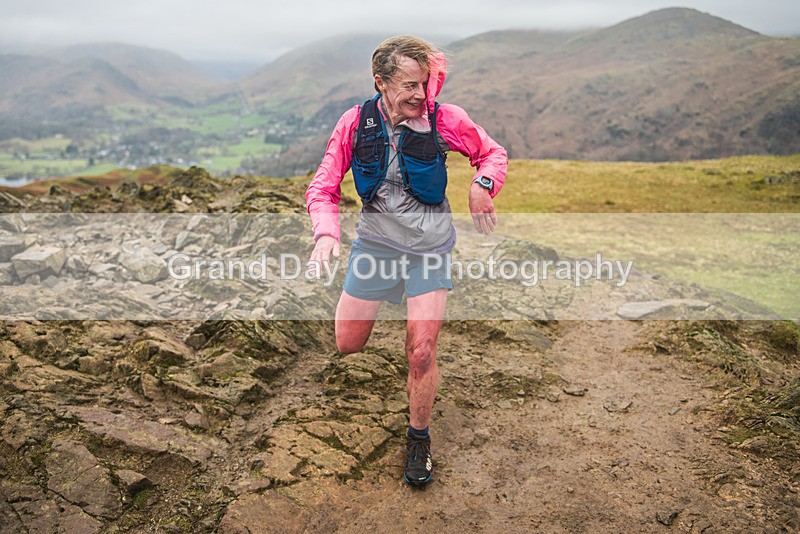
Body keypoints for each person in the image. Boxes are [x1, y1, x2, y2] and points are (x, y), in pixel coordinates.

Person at [305, 35, 507, 487]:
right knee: (348, 344)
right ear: (381, 83)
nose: (421, 94)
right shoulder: (355, 122)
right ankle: (394, 295)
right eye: (410, 85)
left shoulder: (445, 118)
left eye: (426, 82)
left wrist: (483, 184)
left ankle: (419, 438)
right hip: (375, 246)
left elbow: (492, 153)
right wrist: (326, 233)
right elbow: (323, 185)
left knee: (421, 350)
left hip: (428, 250)